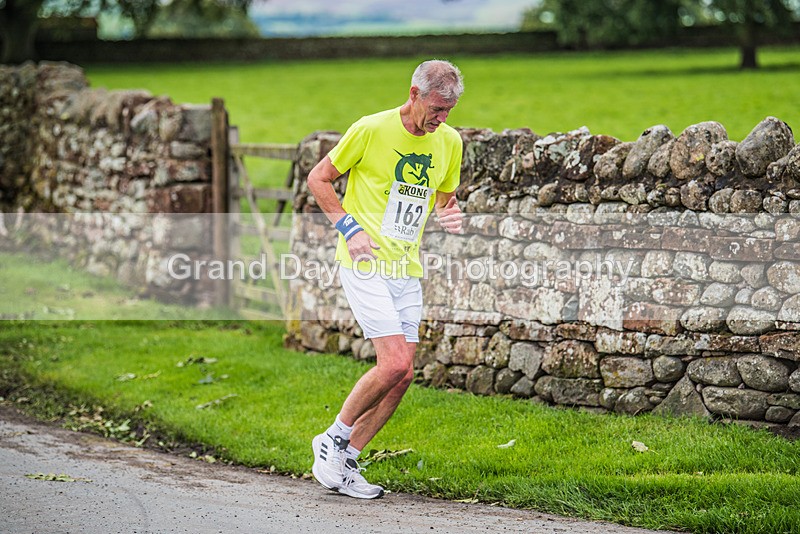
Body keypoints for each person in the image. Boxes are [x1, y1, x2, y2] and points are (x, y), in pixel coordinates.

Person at [306, 59, 465, 500]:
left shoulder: (449, 142)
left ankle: (347, 460)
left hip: (405, 268)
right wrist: (349, 228)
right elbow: (318, 179)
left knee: (404, 374)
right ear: (413, 94)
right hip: (364, 262)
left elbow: (443, 197)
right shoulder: (371, 129)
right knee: (392, 362)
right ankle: (333, 438)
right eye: (435, 108)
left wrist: (448, 212)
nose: (441, 118)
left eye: (449, 111)